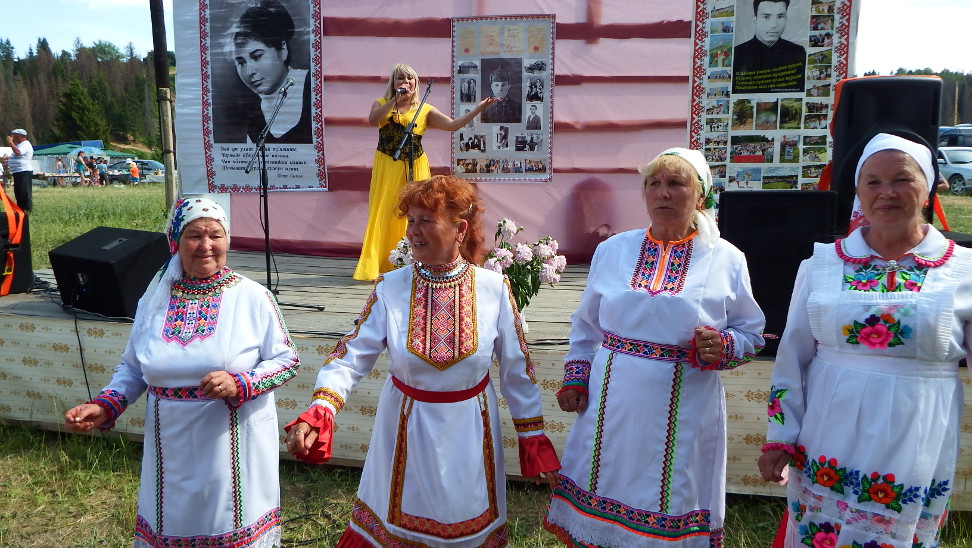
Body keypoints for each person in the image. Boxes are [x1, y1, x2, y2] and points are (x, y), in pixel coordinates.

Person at [288, 175, 561, 546]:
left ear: (459, 229)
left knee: (467, 519)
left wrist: (532, 436)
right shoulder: (390, 287)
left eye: (426, 221)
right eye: (411, 220)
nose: (414, 231)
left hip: (469, 426)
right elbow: (351, 356)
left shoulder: (494, 289)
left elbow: (516, 370)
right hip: (404, 424)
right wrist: (321, 409)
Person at [758, 133, 972, 547]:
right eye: (873, 181)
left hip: (916, 436)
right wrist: (781, 436)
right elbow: (793, 358)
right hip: (829, 431)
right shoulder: (822, 265)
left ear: (928, 186)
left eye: (902, 179)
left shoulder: (963, 269)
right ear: (858, 191)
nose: (886, 192)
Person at [544, 148, 766, 546]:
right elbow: (586, 324)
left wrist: (724, 346)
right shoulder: (613, 250)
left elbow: (752, 333)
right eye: (653, 184)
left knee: (670, 492)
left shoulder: (726, 258)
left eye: (676, 183)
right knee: (604, 478)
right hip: (611, 400)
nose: (662, 193)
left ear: (701, 195)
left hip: (684, 404)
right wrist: (576, 377)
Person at [64, 196, 300, 546]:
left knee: (227, 523)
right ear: (175, 241)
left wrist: (241, 382)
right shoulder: (155, 299)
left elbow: (286, 360)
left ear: (227, 239)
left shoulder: (252, 296)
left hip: (230, 440)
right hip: (169, 444)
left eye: (215, 235)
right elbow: (133, 367)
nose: (206, 245)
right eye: (194, 235)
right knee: (172, 520)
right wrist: (106, 405)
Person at [352, 63, 498, 281]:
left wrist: (478, 109)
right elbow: (374, 120)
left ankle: (414, 260)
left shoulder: (424, 109)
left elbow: (453, 125)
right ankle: (381, 262)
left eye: (409, 78)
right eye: (400, 78)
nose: (405, 82)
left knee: (417, 210)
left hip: (415, 164)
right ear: (393, 83)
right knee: (385, 210)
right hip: (387, 164)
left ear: (416, 83)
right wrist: (395, 100)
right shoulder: (381, 103)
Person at [229, 0, 312, 144]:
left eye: (257, 56)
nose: (249, 72)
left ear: (282, 50)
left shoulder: (312, 85)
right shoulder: (255, 119)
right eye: (241, 62)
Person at [732, 0, 807, 94]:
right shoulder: (737, 53)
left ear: (786, 19)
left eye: (780, 17)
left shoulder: (798, 52)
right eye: (766, 17)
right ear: (755, 20)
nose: (773, 25)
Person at [6, 129, 33, 210]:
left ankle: (26, 209)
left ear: (18, 136)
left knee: (24, 191)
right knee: (19, 192)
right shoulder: (20, 145)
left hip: (23, 171)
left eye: (13, 135)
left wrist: (10, 142)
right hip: (18, 171)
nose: (12, 137)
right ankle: (20, 209)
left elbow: (18, 152)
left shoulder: (25, 144)